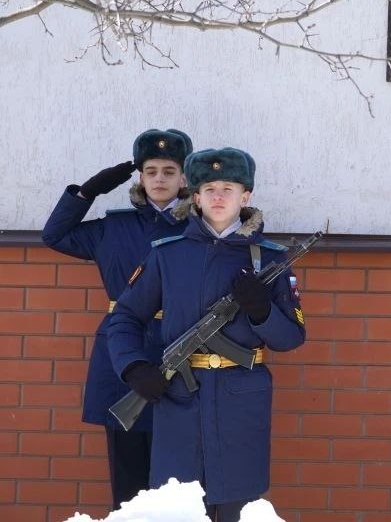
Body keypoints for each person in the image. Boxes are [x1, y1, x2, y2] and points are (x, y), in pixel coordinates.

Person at [107, 147, 305, 521]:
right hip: (179, 400)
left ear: (245, 196)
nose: (218, 196)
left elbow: (291, 338)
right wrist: (133, 368)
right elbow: (125, 318)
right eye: (209, 187)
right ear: (194, 196)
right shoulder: (168, 254)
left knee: (237, 509)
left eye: (228, 188)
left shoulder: (269, 258)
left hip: (241, 405)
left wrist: (263, 311)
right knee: (177, 507)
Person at [41, 128, 193, 509]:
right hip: (123, 352)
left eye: (169, 171)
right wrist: (87, 192)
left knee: (179, 480)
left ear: (184, 178)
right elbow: (54, 236)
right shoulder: (115, 226)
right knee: (127, 478)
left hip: (182, 348)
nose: (160, 178)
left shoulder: (198, 228)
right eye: (151, 170)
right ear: (140, 177)